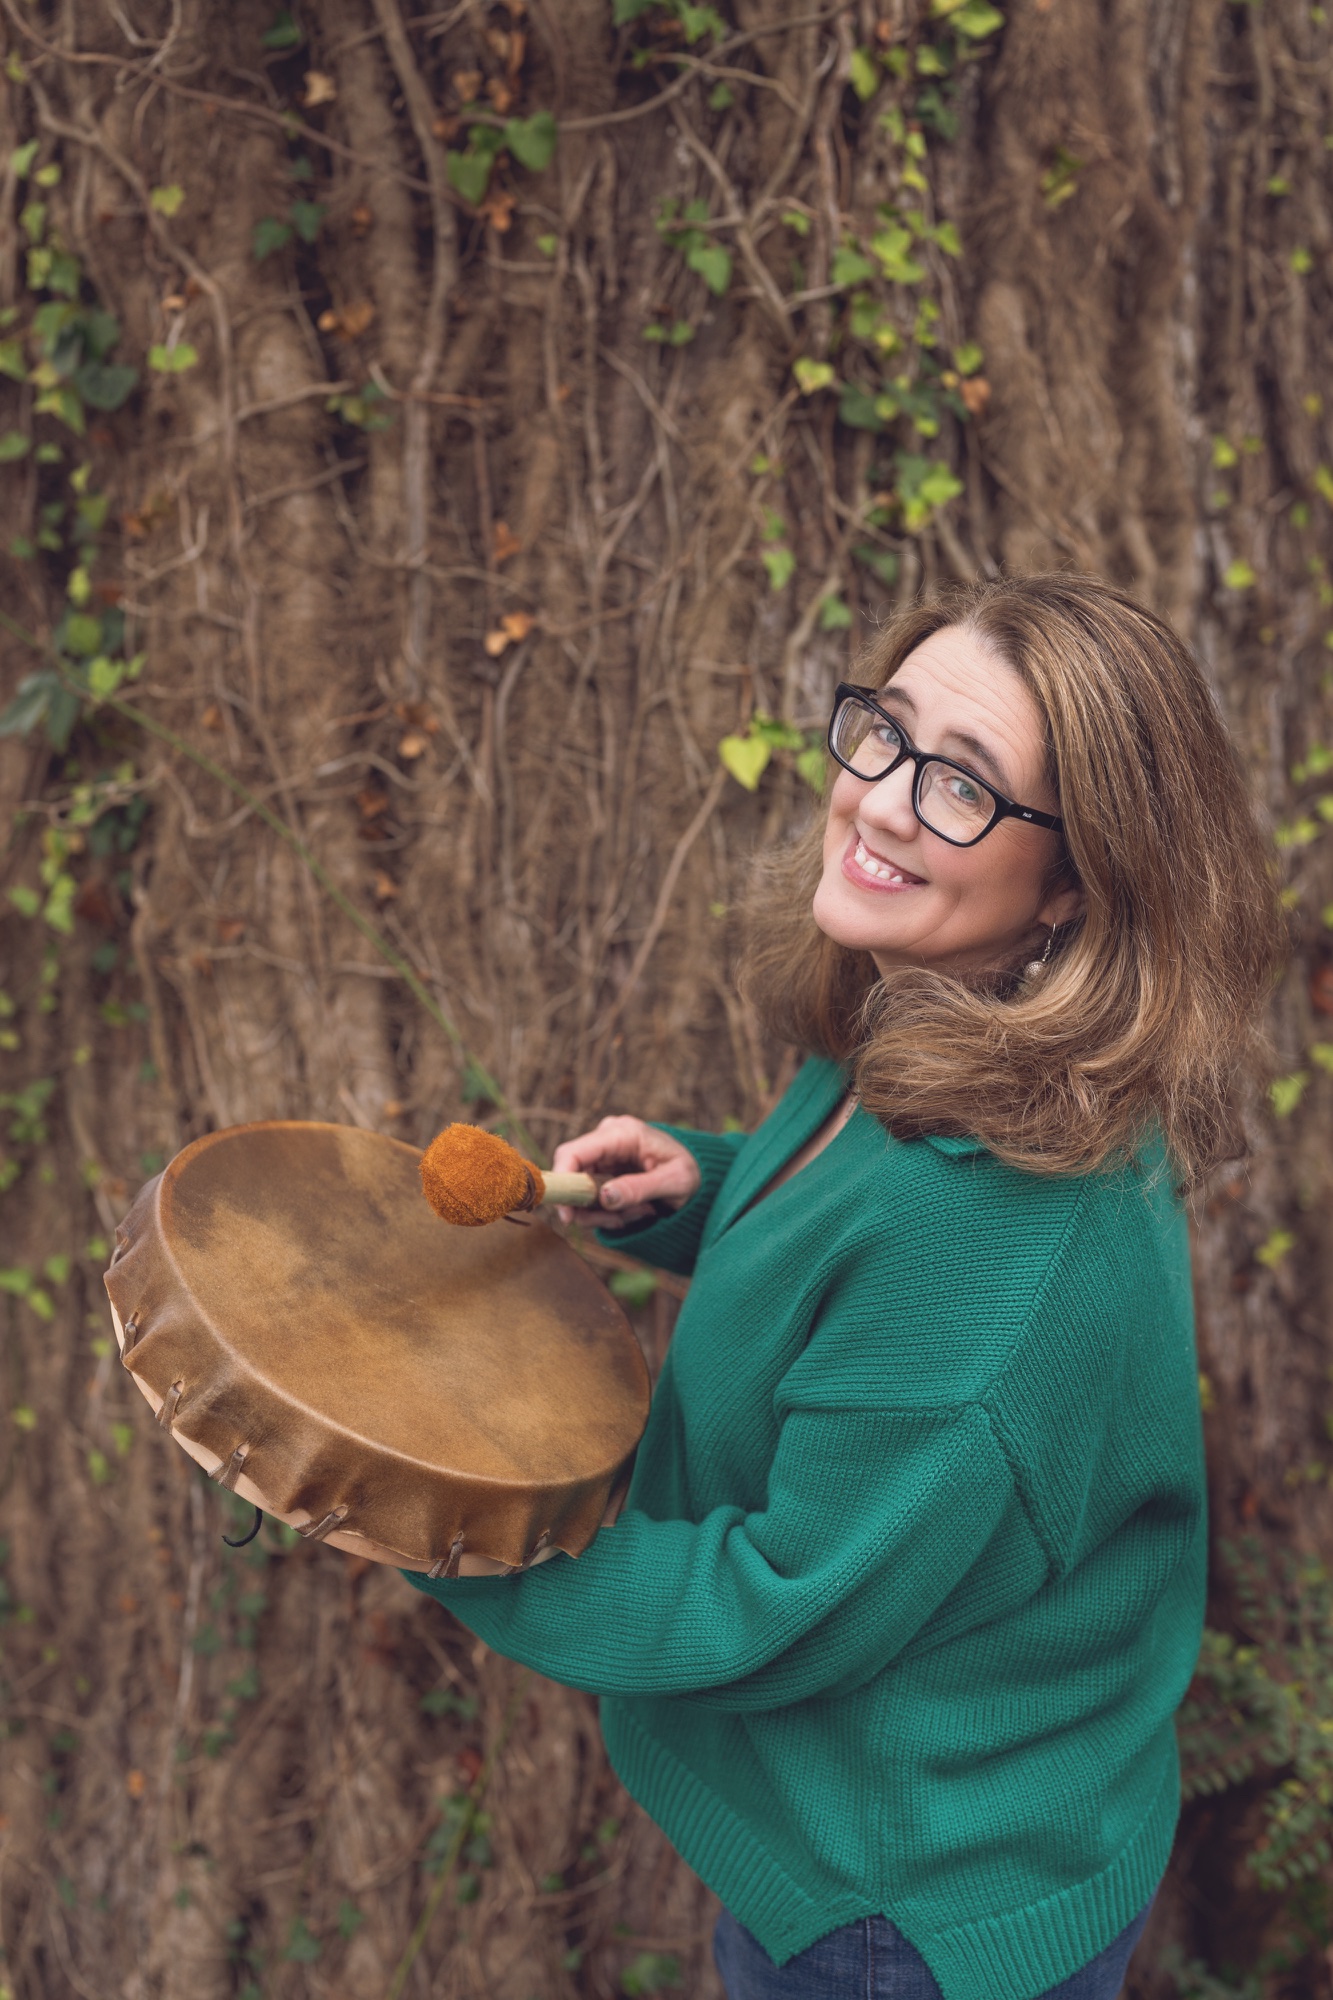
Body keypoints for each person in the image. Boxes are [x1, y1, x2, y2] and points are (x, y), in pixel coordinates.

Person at [406, 572, 1283, 2000]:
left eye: (960, 788)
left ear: (1075, 879)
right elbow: (871, 1269)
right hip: (932, 1809)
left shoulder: (997, 1232)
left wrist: (409, 1515)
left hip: (902, 1909)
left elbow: (776, 1599)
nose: (876, 799)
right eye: (885, 732)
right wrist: (712, 1189)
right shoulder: (961, 1021)